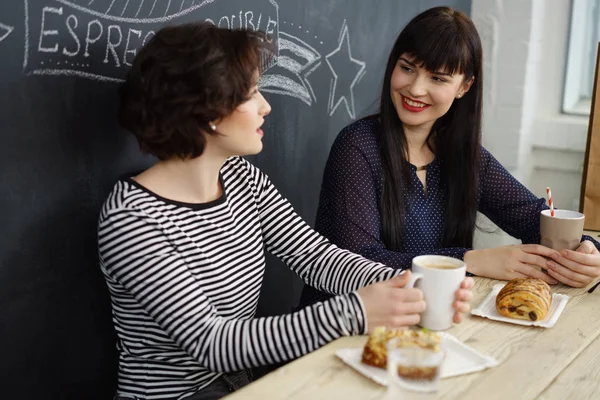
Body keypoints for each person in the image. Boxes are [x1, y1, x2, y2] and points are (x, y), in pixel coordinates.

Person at [98, 22, 474, 400]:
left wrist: (415, 285)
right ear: (206, 110)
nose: (266, 106)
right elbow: (213, 343)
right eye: (251, 94)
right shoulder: (131, 219)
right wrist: (355, 312)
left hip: (247, 385)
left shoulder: (241, 177)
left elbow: (315, 257)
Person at [298, 6, 600, 309]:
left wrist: (588, 250)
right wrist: (469, 260)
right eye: (407, 68)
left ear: (464, 87)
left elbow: (534, 217)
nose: (416, 88)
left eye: (438, 78)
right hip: (341, 331)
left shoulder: (463, 156)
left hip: (424, 325)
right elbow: (360, 261)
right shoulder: (357, 147)